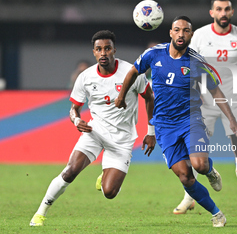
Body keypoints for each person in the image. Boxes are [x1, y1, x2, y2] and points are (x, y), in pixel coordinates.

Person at [115, 16, 237, 227]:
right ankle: (217, 213)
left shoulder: (197, 62)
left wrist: (232, 120)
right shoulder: (154, 54)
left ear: (191, 35)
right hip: (164, 126)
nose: (181, 34)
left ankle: (210, 170)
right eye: (177, 30)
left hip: (190, 120)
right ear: (170, 32)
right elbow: (133, 71)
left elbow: (216, 91)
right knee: (186, 177)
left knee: (199, 165)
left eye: (185, 31)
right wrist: (121, 96)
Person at [29, 30, 156, 227]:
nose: (103, 53)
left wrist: (150, 132)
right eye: (99, 49)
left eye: (107, 48)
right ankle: (40, 213)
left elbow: (149, 98)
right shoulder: (85, 77)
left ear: (114, 50)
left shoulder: (132, 72)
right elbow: (74, 109)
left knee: (110, 193)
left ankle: (107, 176)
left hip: (122, 140)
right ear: (94, 52)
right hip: (94, 132)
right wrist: (76, 120)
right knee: (70, 171)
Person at [173, 0, 237, 215]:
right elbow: (187, 64)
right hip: (204, 102)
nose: (223, 13)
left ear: (232, 12)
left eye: (226, 9)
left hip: (233, 102)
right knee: (195, 152)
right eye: (219, 9)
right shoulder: (199, 36)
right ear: (212, 13)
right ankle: (189, 197)